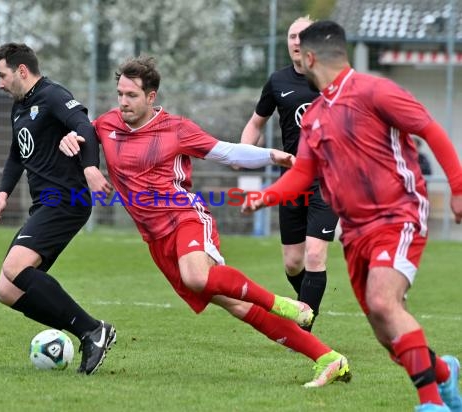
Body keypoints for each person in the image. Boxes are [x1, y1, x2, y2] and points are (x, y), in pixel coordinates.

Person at [59, 55, 352, 387]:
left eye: (132, 95)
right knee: (238, 307)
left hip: (185, 218)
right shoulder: (107, 125)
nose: (123, 102)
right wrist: (71, 143)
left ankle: (284, 303)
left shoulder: (176, 129)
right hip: (155, 239)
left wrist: (271, 155)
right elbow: (80, 139)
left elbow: (226, 151)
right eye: (120, 94)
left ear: (151, 97)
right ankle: (328, 358)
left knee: (197, 277)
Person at [242, 20, 462, 412]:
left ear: (309, 58)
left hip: (398, 214)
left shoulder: (376, 90)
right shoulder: (315, 116)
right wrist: (266, 195)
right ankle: (443, 374)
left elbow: (431, 131)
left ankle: (431, 404)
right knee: (386, 329)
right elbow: (304, 173)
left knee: (381, 301)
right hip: (356, 231)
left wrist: (458, 188)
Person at [0, 43, 116, 375]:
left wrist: (90, 168)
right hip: (44, 203)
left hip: (66, 199)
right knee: (7, 289)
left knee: (15, 267)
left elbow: (85, 127)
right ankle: (89, 332)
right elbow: (17, 154)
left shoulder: (53, 95)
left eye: (2, 75)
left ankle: (92, 329)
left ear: (21, 71)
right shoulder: (19, 107)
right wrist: (2, 193)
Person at [240, 16, 338, 331]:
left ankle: (303, 329)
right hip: (293, 182)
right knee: (293, 264)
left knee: (313, 255)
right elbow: (256, 122)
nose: (297, 41)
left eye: (304, 36)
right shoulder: (277, 81)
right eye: (292, 36)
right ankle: (307, 304)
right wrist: (246, 154)